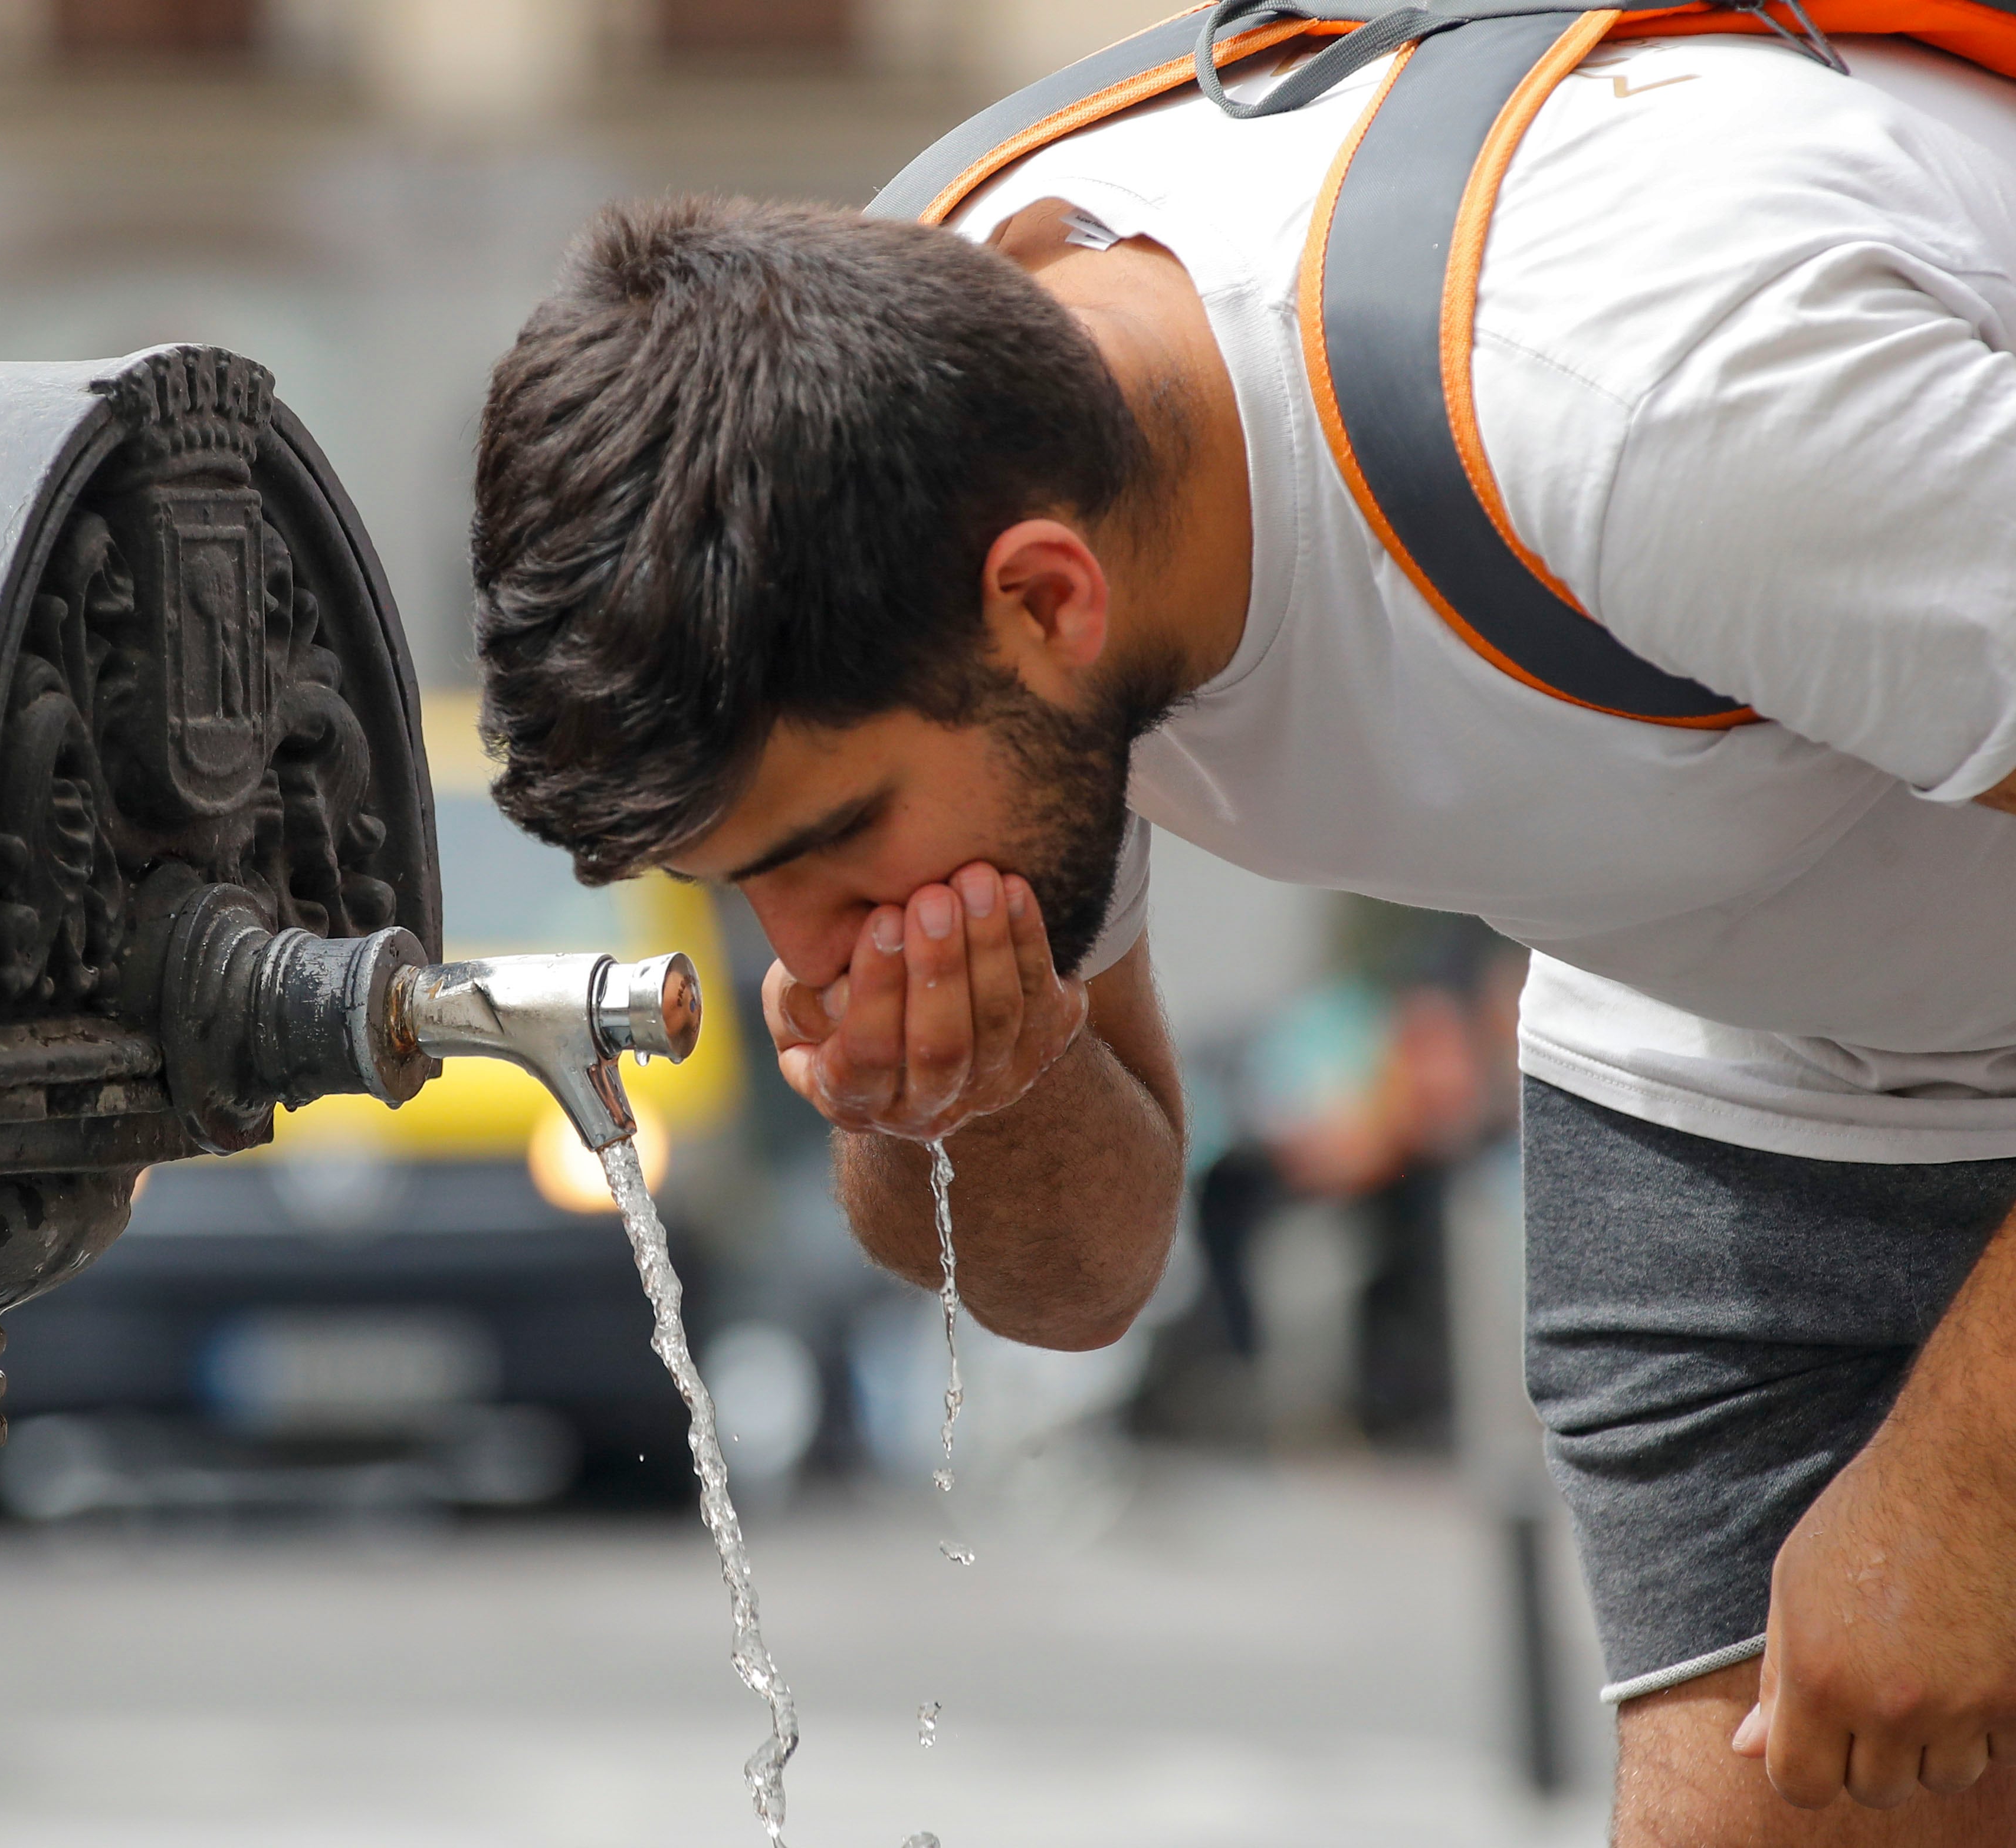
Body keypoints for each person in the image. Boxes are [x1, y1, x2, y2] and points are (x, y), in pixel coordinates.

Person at [465, 24, 2016, 1844]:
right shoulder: (928, 413)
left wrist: (1968, 1487)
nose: (802, 942)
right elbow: (1081, 1273)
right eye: (754, 885)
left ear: (1047, 594)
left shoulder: (1643, 400)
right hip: (1734, 1050)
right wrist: (942, 1091)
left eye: (832, 846)